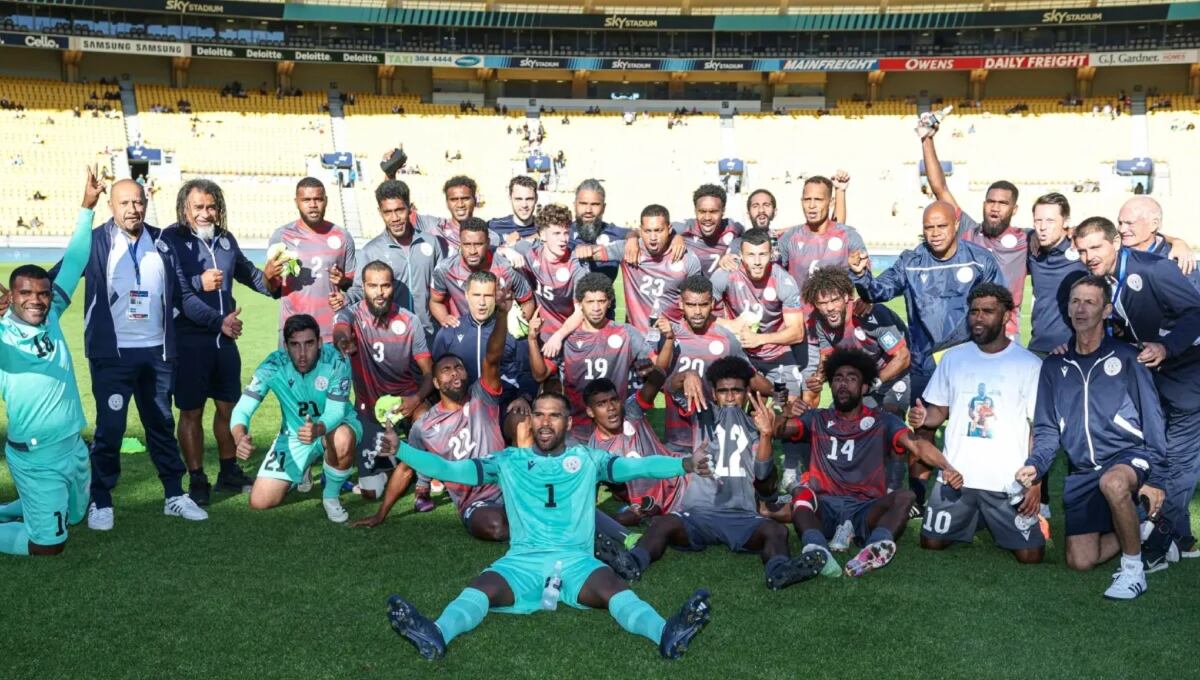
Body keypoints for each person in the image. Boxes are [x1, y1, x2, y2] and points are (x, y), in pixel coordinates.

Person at [383, 392, 713, 661]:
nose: (544, 421)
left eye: (554, 415)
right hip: (521, 561)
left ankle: (666, 633)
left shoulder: (588, 459)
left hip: (578, 562)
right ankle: (436, 633)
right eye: (538, 414)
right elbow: (449, 469)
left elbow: (634, 466)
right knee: (481, 587)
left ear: (568, 423)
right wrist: (402, 449)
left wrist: (683, 463)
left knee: (613, 588)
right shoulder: (507, 461)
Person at [1016, 275, 1169, 599]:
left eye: (1090, 302)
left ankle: (1133, 571)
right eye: (1075, 301)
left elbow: (1152, 416)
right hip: (1084, 469)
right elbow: (1045, 428)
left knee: (1113, 483)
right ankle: (1142, 521)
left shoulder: (1128, 357)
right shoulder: (1055, 365)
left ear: (1107, 309)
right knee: (1080, 560)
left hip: (1127, 456)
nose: (1081, 309)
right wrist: (1036, 464)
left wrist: (1157, 475)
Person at [66, 176, 205, 530]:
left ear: (145, 203)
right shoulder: (97, 241)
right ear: (111, 206)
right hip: (112, 356)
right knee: (110, 430)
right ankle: (102, 499)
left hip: (157, 354)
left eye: (138, 202)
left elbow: (183, 295)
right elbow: (61, 274)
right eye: (124, 203)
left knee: (160, 424)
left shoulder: (163, 241)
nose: (133, 209)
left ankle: (174, 495)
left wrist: (217, 320)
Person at [848, 201, 1004, 509]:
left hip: (969, 361)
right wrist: (861, 276)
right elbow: (878, 291)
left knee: (975, 425)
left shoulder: (980, 261)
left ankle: (981, 489)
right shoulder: (910, 261)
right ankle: (918, 496)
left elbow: (997, 307)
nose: (934, 233)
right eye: (929, 228)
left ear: (955, 225)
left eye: (941, 226)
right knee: (923, 426)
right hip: (924, 361)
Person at [623, 357, 828, 589]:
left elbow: (762, 474)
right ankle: (632, 562)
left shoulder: (757, 423)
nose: (730, 397)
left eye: (736, 391)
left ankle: (779, 570)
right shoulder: (702, 412)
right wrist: (687, 375)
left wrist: (766, 435)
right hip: (698, 511)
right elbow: (670, 387)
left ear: (747, 391)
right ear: (713, 392)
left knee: (776, 531)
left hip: (741, 515)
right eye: (723, 391)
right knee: (662, 524)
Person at [1073, 216, 1200, 557]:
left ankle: (1160, 545)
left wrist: (1167, 347)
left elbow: (1196, 312)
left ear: (1116, 243)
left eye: (1096, 247)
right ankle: (1177, 539)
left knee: (1179, 461)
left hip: (1188, 380)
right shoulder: (1102, 279)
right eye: (1083, 250)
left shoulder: (1154, 269)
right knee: (1149, 455)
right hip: (1149, 380)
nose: (1089, 257)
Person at [774, 348, 960, 577]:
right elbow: (779, 430)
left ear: (864, 387)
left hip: (866, 508)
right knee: (801, 492)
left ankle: (875, 547)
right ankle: (817, 550)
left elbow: (917, 445)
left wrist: (948, 468)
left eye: (851, 379)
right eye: (838, 379)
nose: (843, 384)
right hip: (825, 506)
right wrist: (781, 414)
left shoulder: (883, 420)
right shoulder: (817, 418)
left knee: (906, 496)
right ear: (831, 386)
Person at [351, 287, 516, 536]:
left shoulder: (483, 397)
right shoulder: (425, 426)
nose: (453, 373)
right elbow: (405, 469)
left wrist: (502, 315)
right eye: (446, 370)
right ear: (436, 383)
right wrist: (381, 513)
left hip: (509, 486)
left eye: (458, 368)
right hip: (475, 501)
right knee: (494, 527)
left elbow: (492, 359)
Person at [0, 168, 101, 555]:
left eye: (42, 293)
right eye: (26, 293)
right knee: (48, 545)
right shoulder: (4, 334)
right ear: (11, 296)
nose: (37, 300)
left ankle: (21, 506)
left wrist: (87, 209)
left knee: (76, 517)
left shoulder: (53, 312)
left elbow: (74, 261)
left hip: (73, 445)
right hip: (37, 456)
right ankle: (30, 509)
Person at [908, 283, 1045, 563]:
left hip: (1007, 479)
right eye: (973, 312)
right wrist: (922, 417)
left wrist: (1035, 480)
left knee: (1030, 555)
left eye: (988, 311)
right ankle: (978, 515)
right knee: (931, 542)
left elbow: (1038, 429)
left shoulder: (1028, 364)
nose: (978, 318)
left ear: (1006, 316)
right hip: (957, 476)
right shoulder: (954, 358)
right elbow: (937, 413)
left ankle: (989, 515)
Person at [162, 178, 276, 505]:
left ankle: (228, 472)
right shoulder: (170, 240)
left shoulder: (225, 240)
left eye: (211, 206)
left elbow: (249, 274)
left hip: (225, 340)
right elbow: (177, 293)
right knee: (191, 412)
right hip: (190, 340)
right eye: (198, 207)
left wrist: (272, 281)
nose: (206, 213)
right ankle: (197, 477)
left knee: (228, 406)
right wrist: (205, 290)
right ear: (184, 208)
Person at [231, 314, 359, 522]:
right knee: (260, 501)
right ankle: (301, 468)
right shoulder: (273, 365)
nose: (302, 354)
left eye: (309, 344)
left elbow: (336, 411)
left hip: (333, 427)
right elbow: (242, 409)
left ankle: (330, 496)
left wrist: (317, 429)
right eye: (294, 345)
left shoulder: (336, 360)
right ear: (285, 346)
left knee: (342, 437)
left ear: (319, 342)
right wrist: (239, 436)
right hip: (295, 436)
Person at [528, 273, 670, 445]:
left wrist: (668, 340)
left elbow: (658, 367)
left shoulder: (626, 333)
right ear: (580, 305)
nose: (596, 308)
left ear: (609, 302)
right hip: (578, 430)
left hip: (615, 429)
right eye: (590, 302)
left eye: (601, 301)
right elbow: (540, 375)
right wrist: (532, 340)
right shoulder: (567, 338)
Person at [332, 261, 433, 500]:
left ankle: (421, 469)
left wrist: (415, 399)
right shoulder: (352, 314)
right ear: (363, 287)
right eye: (373, 286)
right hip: (369, 409)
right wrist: (344, 342)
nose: (379, 292)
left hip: (406, 402)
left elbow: (429, 374)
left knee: (425, 419)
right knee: (371, 492)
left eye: (385, 286)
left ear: (393, 287)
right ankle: (400, 460)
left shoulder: (410, 321)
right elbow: (340, 329)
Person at [921, 123, 1028, 337]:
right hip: (966, 331)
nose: (995, 208)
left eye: (1002, 203)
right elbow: (939, 188)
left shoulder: (1026, 240)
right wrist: (926, 139)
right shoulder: (968, 230)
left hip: (1005, 333)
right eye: (990, 201)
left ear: (1014, 209)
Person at [661, 275, 771, 458]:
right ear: (681, 304)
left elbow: (750, 377)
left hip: (715, 439)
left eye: (703, 305)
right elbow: (658, 381)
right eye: (691, 305)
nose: (697, 312)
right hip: (678, 439)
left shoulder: (727, 339)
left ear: (712, 303)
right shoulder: (668, 336)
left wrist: (777, 392)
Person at [347, 180, 446, 346]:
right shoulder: (370, 251)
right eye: (388, 212)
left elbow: (443, 287)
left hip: (429, 334)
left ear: (410, 208)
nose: (394, 218)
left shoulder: (432, 243)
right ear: (380, 212)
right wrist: (344, 298)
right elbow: (359, 290)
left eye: (399, 210)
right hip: (390, 337)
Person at [573, 204, 702, 331]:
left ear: (669, 229)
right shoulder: (628, 249)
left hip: (673, 337)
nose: (653, 238)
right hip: (637, 340)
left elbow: (698, 302)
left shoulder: (687, 259)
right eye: (648, 231)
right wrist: (583, 249)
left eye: (658, 230)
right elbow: (590, 252)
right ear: (640, 230)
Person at [584, 369, 683, 527]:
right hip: (648, 506)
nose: (611, 408)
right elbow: (587, 499)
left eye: (613, 400)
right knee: (618, 520)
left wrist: (652, 370)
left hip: (681, 483)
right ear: (590, 411)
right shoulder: (594, 452)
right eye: (601, 404)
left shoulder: (631, 411)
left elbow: (656, 381)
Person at [432, 271, 538, 416]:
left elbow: (527, 372)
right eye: (476, 295)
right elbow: (437, 374)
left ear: (496, 297)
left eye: (488, 296)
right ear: (467, 295)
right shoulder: (449, 332)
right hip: (461, 410)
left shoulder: (513, 330)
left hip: (503, 407)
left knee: (521, 420)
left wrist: (523, 397)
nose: (482, 303)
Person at [266, 177, 356, 342]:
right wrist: (268, 276)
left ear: (326, 201)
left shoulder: (343, 236)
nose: (313, 205)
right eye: (306, 200)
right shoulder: (282, 236)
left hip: (332, 331)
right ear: (297, 202)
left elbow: (354, 285)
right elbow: (273, 289)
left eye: (318, 199)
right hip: (293, 332)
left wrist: (342, 281)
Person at [429, 218, 535, 329]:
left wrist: (514, 328)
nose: (472, 251)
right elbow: (435, 301)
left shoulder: (507, 268)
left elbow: (527, 301)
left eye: (478, 244)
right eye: (467, 244)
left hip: (499, 338)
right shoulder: (445, 269)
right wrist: (444, 318)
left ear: (488, 243)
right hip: (463, 337)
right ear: (460, 243)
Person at [507, 203, 588, 338]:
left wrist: (559, 336)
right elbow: (498, 253)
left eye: (566, 233)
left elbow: (581, 311)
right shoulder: (528, 251)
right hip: (536, 334)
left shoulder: (576, 265)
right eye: (556, 233)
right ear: (543, 235)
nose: (563, 239)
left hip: (568, 336)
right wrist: (508, 251)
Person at [777, 176, 867, 291]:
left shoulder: (849, 236)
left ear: (831, 202)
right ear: (802, 201)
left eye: (818, 200)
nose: (811, 205)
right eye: (807, 199)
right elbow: (773, 276)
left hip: (838, 309)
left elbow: (865, 280)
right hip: (800, 309)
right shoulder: (789, 238)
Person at [1026, 193, 1087, 355]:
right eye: (1038, 220)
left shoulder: (1082, 249)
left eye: (1050, 221)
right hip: (1037, 348)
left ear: (1066, 222)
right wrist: (1031, 235)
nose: (1042, 227)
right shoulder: (1030, 248)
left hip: (1074, 350)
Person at [661, 184, 744, 274]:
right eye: (702, 211)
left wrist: (733, 251)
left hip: (721, 286)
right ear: (695, 211)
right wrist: (675, 237)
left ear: (723, 211)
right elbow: (650, 231)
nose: (707, 217)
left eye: (713, 212)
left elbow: (751, 237)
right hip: (690, 286)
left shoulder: (733, 228)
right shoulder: (685, 228)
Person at [569, 179, 630, 282]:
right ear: (575, 205)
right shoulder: (563, 233)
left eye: (595, 204)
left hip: (605, 297)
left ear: (604, 207)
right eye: (583, 203)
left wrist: (632, 238)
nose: (588, 210)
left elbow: (641, 232)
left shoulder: (614, 234)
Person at [488, 175, 540, 243]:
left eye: (529, 199)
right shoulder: (493, 226)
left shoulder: (544, 227)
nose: (524, 205)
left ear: (536, 199)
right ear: (510, 198)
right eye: (518, 199)